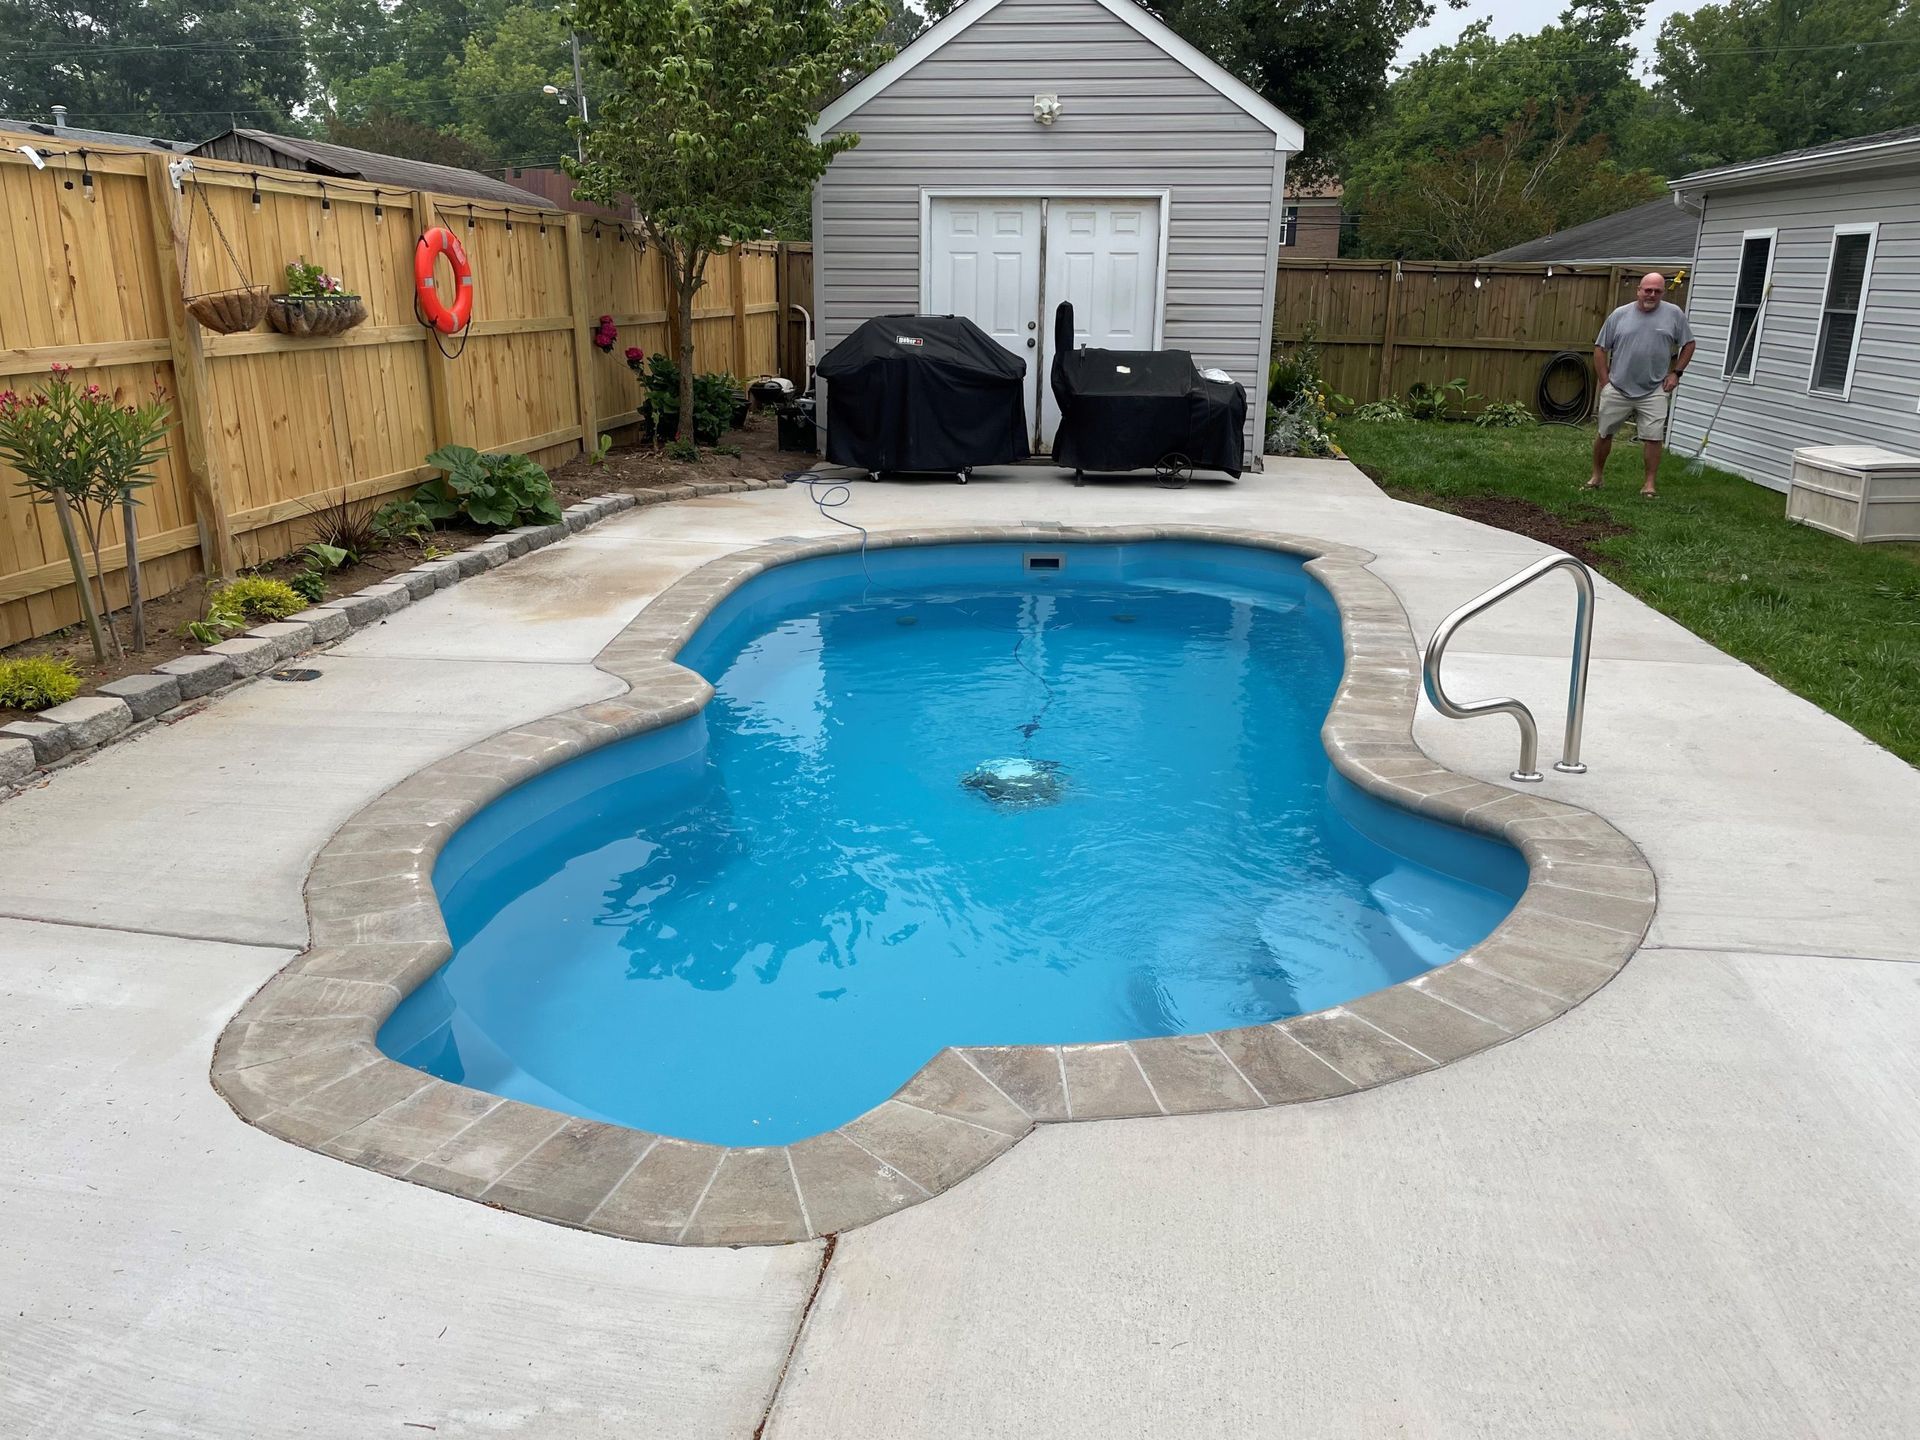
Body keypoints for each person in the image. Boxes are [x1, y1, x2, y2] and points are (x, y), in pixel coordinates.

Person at [1586, 272, 1695, 498]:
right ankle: (1596, 477)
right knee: (1604, 433)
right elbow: (1600, 348)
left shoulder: (1674, 315)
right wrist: (1605, 381)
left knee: (1654, 437)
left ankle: (1649, 484)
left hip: (1654, 388)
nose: (1652, 295)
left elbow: (1689, 344)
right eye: (1648, 290)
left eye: (1657, 291)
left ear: (1663, 293)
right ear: (1639, 290)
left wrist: (1676, 373)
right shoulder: (1619, 315)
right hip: (1618, 386)